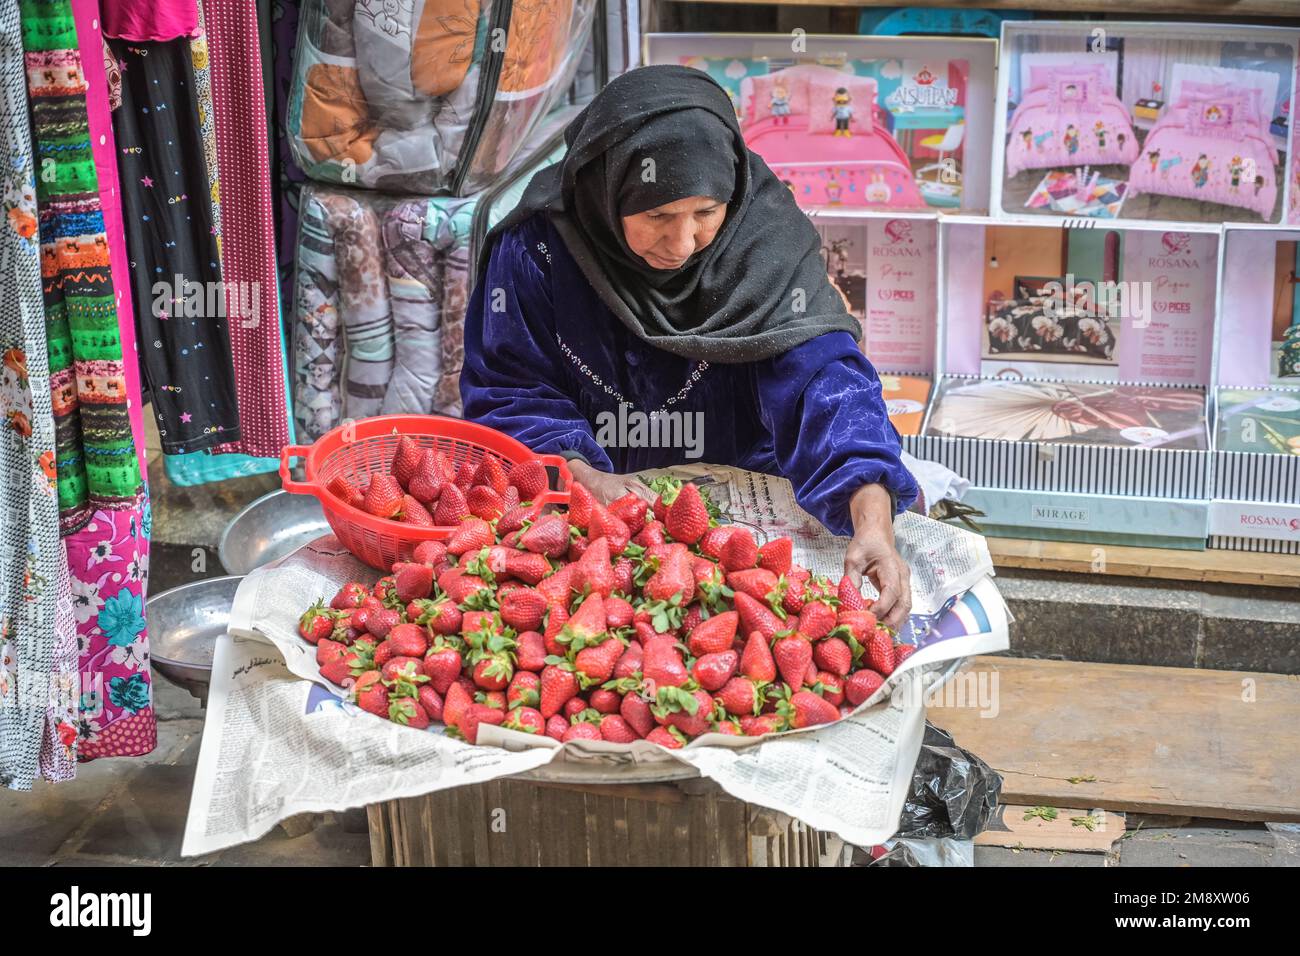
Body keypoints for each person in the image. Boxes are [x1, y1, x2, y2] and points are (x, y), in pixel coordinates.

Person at [460, 66, 920, 627]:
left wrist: (871, 518)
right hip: (587, 517)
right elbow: (510, 388)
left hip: (742, 523)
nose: (682, 243)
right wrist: (585, 477)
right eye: (657, 215)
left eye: (706, 212)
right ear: (605, 190)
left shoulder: (764, 239)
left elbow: (825, 382)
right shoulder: (537, 248)